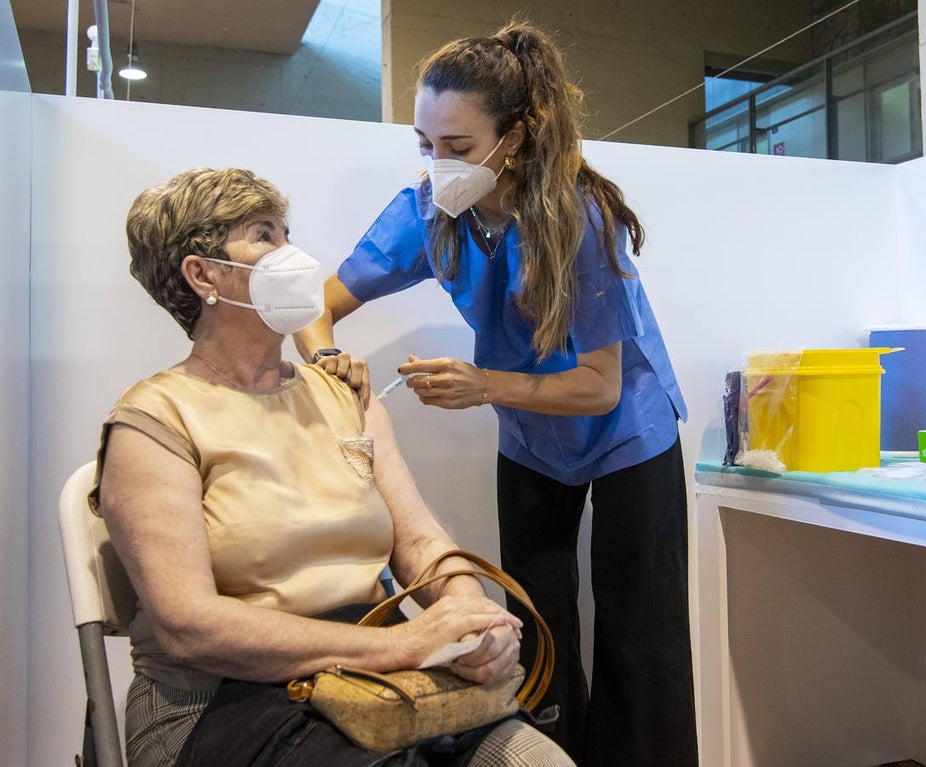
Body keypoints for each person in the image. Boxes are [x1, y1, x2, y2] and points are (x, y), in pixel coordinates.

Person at [293, 22, 698, 767]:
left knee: (643, 641)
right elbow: (314, 306)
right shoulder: (428, 214)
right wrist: (329, 364)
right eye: (424, 144)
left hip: (625, 431)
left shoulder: (581, 218)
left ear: (516, 137)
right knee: (534, 628)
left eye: (458, 147)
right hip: (532, 437)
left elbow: (601, 384)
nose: (438, 165)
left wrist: (482, 386)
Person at [91, 167, 574, 767]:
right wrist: (404, 642)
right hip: (224, 699)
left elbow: (419, 538)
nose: (291, 254)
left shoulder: (347, 395)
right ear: (202, 274)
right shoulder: (154, 422)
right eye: (263, 235)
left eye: (287, 233)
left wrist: (466, 616)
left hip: (378, 679)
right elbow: (190, 626)